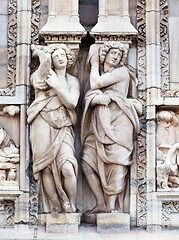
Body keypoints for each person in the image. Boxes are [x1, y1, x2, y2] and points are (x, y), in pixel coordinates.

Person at [81, 41, 142, 213]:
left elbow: (95, 83)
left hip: (120, 123)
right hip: (101, 125)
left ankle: (112, 206)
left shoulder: (121, 72)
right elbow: (92, 92)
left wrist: (93, 63)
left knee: (117, 163)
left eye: (119, 54)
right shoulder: (107, 75)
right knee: (87, 162)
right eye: (112, 53)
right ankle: (101, 202)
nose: (115, 56)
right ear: (104, 54)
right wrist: (96, 99)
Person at [27, 44, 80, 214]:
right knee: (46, 168)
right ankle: (55, 205)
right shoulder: (42, 76)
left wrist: (57, 85)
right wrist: (41, 54)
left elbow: (72, 102)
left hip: (63, 125)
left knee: (67, 166)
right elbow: (41, 71)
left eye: (63, 54)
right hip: (41, 122)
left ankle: (71, 203)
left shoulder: (73, 81)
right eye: (56, 56)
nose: (61, 58)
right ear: (51, 60)